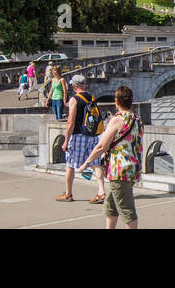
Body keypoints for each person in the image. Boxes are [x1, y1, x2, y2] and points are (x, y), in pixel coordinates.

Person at [79, 84, 143, 229]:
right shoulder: (136, 119)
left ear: (117, 101)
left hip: (119, 170)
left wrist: (86, 163)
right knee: (110, 206)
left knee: (127, 210)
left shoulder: (117, 120)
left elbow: (102, 146)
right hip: (132, 169)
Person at [55, 74, 106, 205]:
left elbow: (70, 121)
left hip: (78, 136)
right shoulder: (91, 97)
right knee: (96, 163)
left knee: (70, 164)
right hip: (93, 135)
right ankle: (101, 191)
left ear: (73, 86)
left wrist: (66, 141)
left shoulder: (74, 99)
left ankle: (68, 193)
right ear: (84, 85)